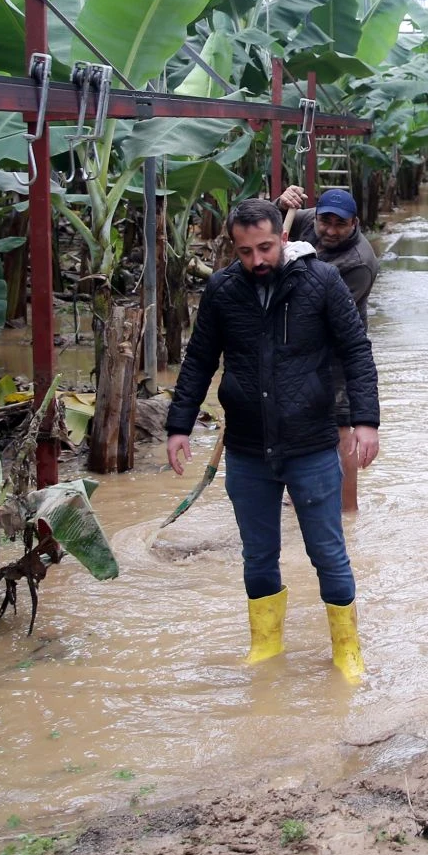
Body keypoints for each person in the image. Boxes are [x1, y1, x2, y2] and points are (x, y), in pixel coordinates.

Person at [165, 198, 380, 680]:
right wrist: (179, 425)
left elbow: (356, 351)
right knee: (258, 554)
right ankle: (265, 645)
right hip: (247, 448)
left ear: (283, 239)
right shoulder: (222, 289)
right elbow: (199, 360)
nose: (257, 261)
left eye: (265, 248)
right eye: (245, 252)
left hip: (311, 443)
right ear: (234, 249)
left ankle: (347, 649)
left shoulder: (321, 281)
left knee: (327, 551)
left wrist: (366, 420)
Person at [275, 186, 379, 511]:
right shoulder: (306, 220)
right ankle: (300, 494)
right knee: (295, 417)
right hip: (298, 344)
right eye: (326, 222)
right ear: (316, 216)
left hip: (337, 349)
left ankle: (348, 509)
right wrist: (278, 204)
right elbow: (257, 225)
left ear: (355, 223)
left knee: (339, 427)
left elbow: (315, 308)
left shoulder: (359, 263)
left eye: (340, 224)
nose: (331, 231)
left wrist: (283, 265)